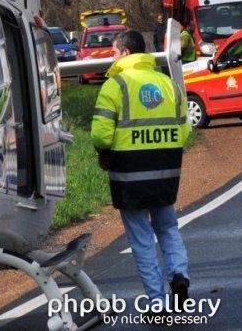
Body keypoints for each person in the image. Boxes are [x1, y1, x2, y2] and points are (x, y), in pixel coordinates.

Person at [91, 30, 191, 305]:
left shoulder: (115, 86)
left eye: (113, 51)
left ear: (124, 52)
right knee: (168, 227)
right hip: (166, 171)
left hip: (129, 173)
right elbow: (184, 130)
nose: (112, 56)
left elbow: (101, 135)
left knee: (141, 238)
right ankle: (179, 274)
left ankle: (157, 301)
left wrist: (104, 153)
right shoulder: (168, 84)